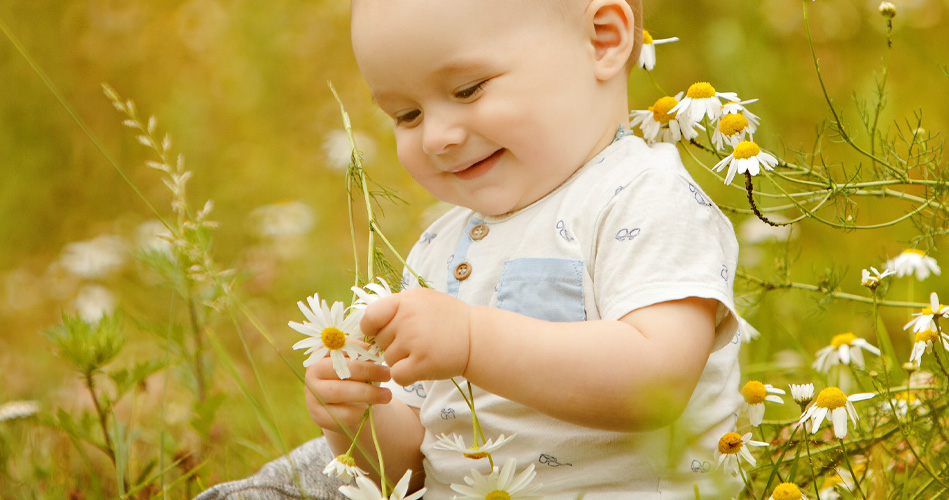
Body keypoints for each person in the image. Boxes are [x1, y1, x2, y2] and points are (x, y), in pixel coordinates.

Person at [198, 0, 743, 498]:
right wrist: (356, 420)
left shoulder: (642, 199)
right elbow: (412, 466)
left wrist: (472, 339)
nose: (437, 136)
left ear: (602, 39)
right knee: (287, 481)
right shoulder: (439, 244)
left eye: (467, 90)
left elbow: (658, 384)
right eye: (406, 115)